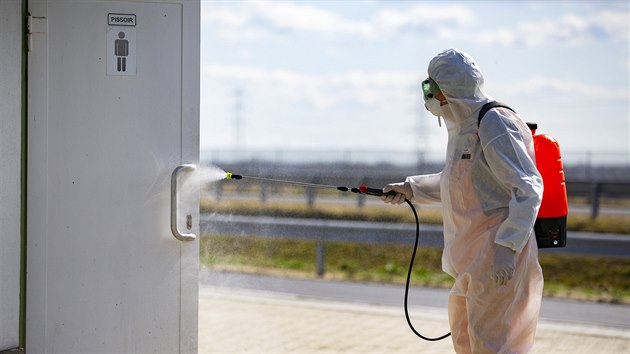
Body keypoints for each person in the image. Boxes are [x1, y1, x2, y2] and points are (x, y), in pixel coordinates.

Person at [382, 48, 544, 354]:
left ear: (450, 89)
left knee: (492, 347)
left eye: (431, 88)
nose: (427, 95)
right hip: (470, 260)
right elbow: (456, 183)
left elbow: (529, 188)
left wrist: (507, 248)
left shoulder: (494, 122)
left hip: (497, 258)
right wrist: (410, 189)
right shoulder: (462, 129)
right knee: (466, 342)